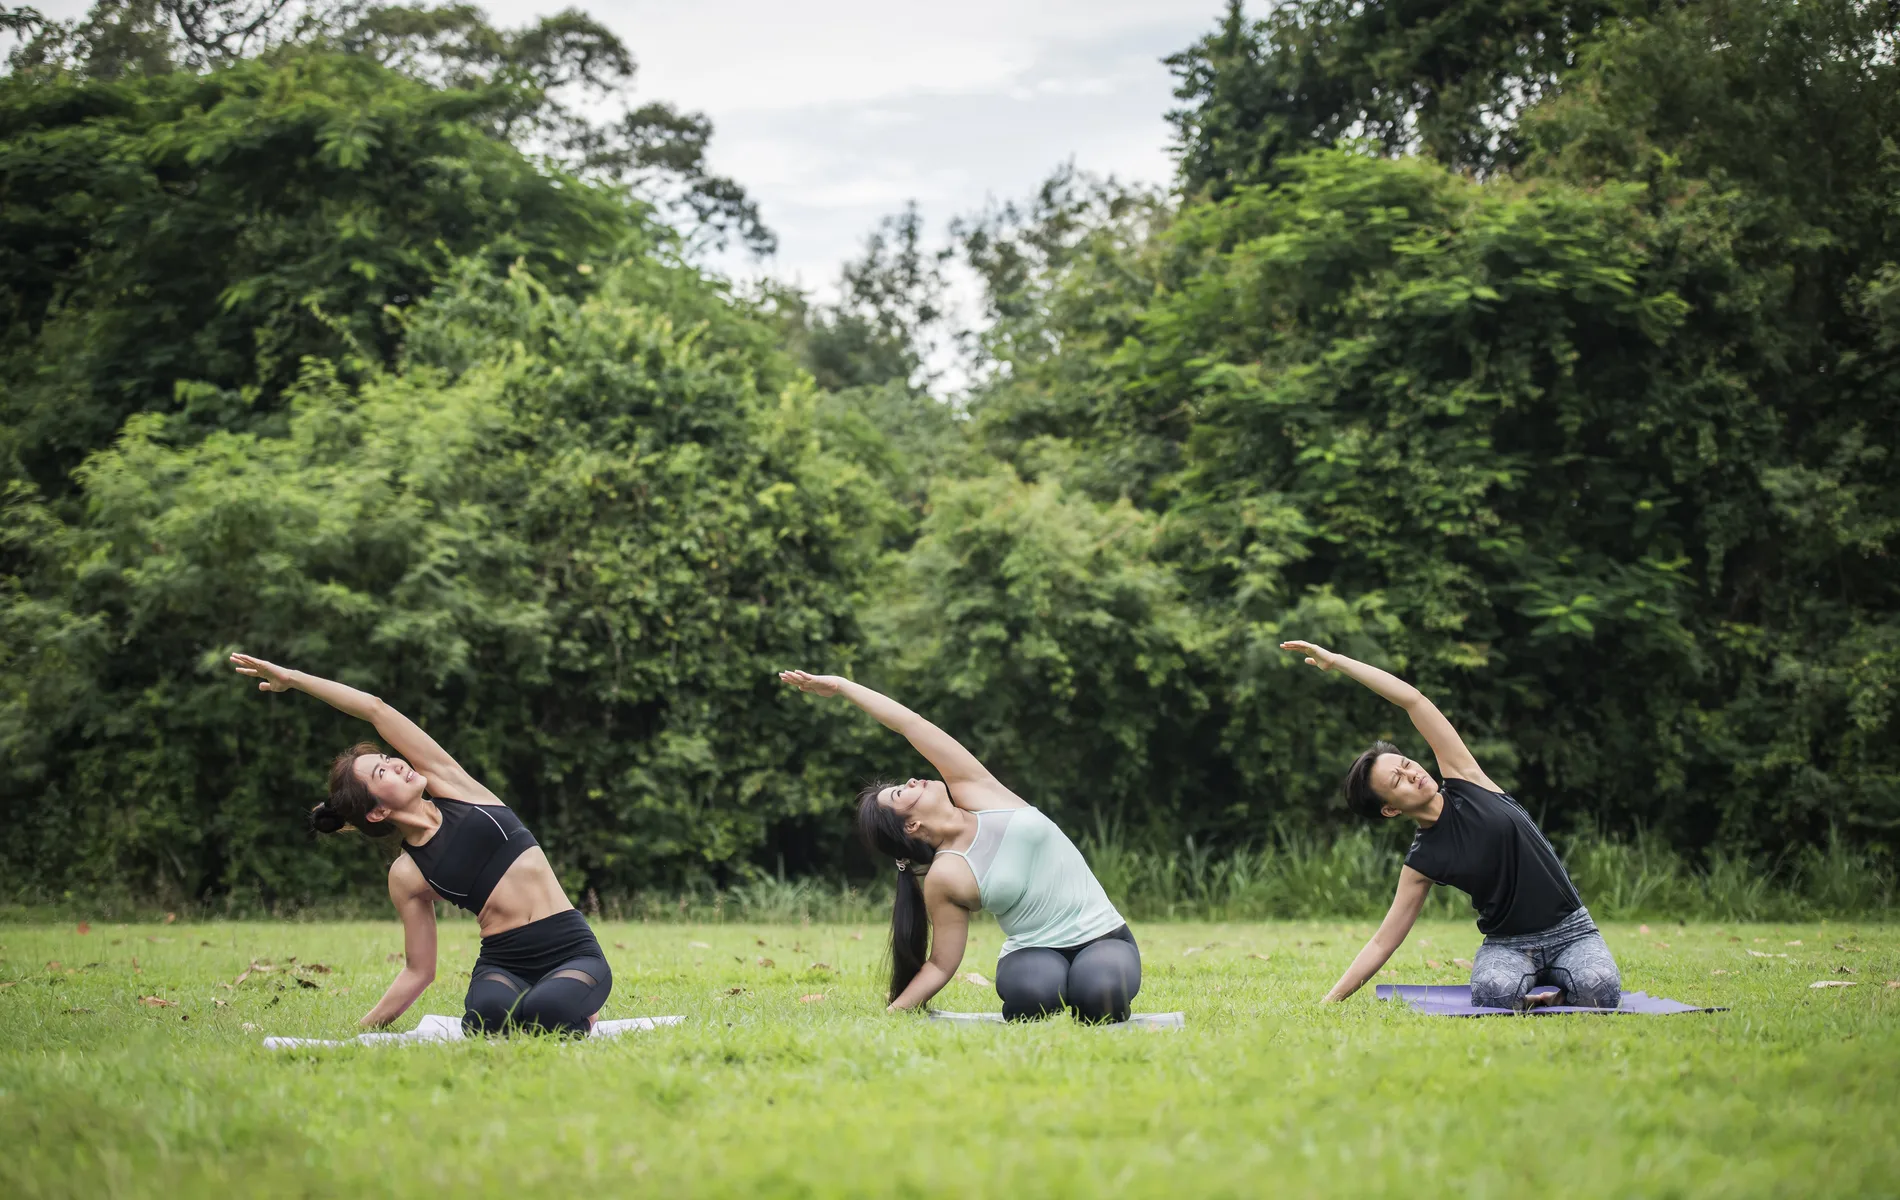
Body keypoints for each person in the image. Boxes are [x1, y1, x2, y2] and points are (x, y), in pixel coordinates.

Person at [230, 652, 610, 1035]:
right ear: (376, 813)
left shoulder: (453, 785)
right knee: (485, 1022)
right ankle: (549, 1006)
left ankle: (573, 1005)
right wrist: (357, 1031)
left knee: (547, 1011)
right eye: (382, 772)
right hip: (504, 963)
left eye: (385, 757)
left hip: (569, 948)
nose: (395, 762)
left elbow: (375, 709)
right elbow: (419, 970)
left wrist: (294, 678)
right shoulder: (408, 873)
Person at [779, 669, 1141, 1022]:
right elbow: (940, 963)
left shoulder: (978, 791)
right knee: (1032, 999)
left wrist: (842, 686)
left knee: (1099, 995)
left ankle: (1089, 988)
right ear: (912, 824)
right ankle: (1053, 991)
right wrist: (894, 1013)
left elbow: (911, 725)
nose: (912, 780)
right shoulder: (947, 875)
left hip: (1102, 937)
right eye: (904, 792)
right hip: (1033, 952)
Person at [1280, 640, 1622, 1011]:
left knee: (1599, 988)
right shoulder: (1423, 860)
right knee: (1491, 992)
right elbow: (1383, 941)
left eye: (1406, 765)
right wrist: (1328, 1001)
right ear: (1391, 810)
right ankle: (1542, 990)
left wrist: (1337, 662)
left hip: (1572, 931)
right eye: (1397, 782)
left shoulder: (1466, 777)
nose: (1411, 775)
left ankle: (1553, 986)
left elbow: (1412, 701)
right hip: (1508, 944)